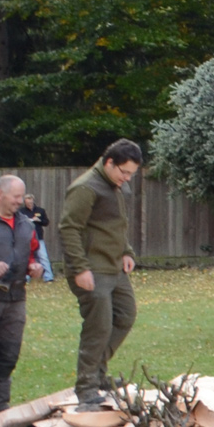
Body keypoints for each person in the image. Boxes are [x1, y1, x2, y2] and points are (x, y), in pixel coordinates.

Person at [65, 139, 143, 408]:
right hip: (92, 268)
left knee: (125, 315)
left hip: (114, 267)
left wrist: (127, 251)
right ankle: (86, 388)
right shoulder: (86, 187)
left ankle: (99, 373)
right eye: (124, 172)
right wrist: (80, 268)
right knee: (98, 327)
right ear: (109, 162)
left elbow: (116, 225)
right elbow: (69, 228)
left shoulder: (113, 185)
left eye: (131, 173)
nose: (127, 178)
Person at [0, 176, 44, 417]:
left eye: (22, 195)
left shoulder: (26, 225)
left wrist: (35, 268)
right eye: (16, 196)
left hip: (15, 301)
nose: (20, 201)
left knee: (6, 357)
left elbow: (33, 253)